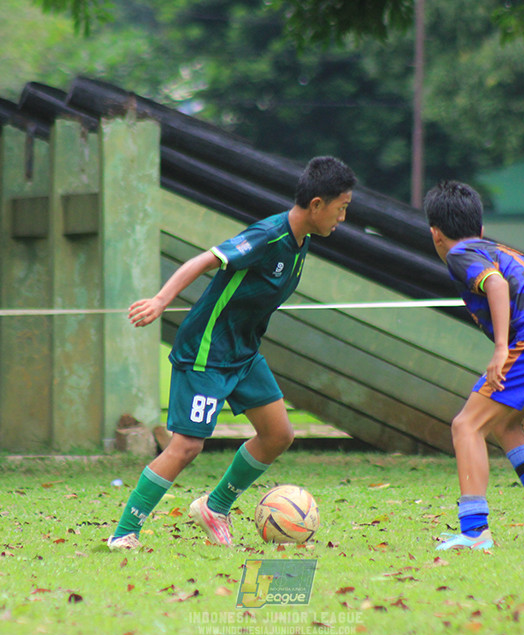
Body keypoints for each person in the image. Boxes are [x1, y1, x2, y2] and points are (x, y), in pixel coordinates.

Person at [107, 156, 356, 550]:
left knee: (277, 434)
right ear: (316, 205)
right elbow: (203, 260)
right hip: (207, 352)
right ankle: (124, 532)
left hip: (243, 354)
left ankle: (214, 507)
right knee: (187, 446)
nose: (343, 218)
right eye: (341, 208)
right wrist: (159, 300)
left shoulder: (302, 240)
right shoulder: (268, 236)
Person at [424, 180, 524, 551]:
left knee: (466, 425)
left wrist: (501, 349)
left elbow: (496, 285)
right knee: (505, 423)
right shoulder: (495, 247)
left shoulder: (460, 253)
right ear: (481, 228)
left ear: (435, 233)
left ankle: (474, 531)